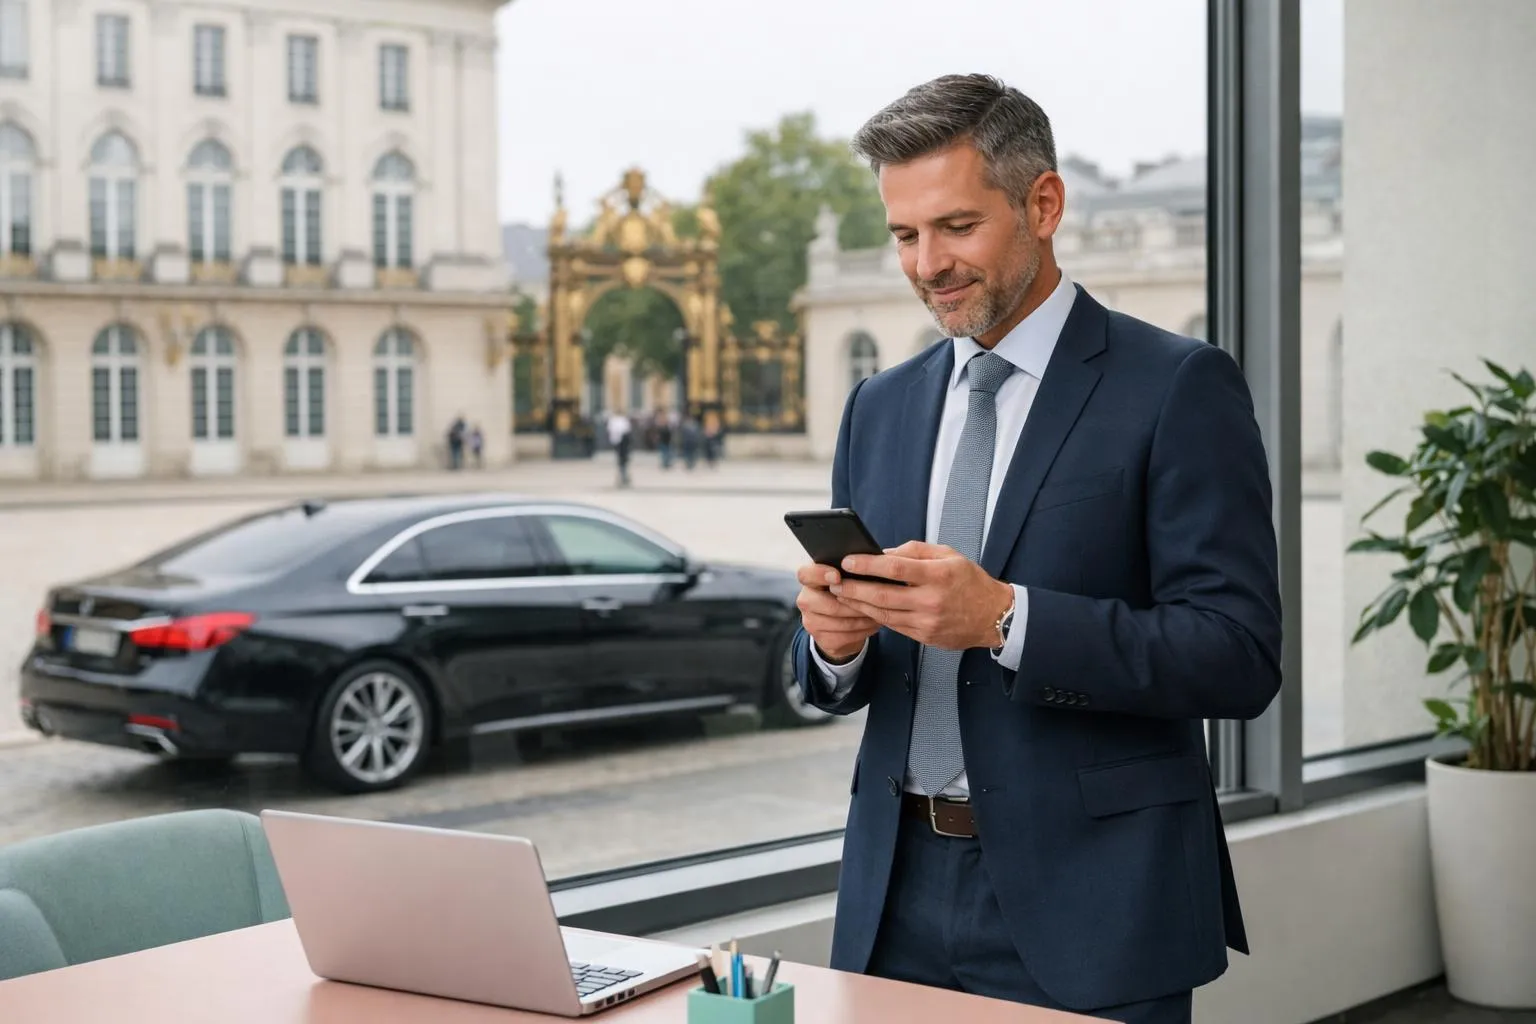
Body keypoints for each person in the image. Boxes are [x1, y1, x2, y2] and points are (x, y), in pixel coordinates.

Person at [789, 74, 1281, 1024]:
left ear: (1044, 205)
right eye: (904, 235)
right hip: (892, 897)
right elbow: (826, 672)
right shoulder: (878, 407)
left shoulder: (1178, 386)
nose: (928, 264)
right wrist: (832, 645)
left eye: (956, 227)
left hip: (1096, 904)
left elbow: (1238, 655)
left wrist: (1006, 619)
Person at [606, 410, 633, 487]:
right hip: (622, 446)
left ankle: (623, 476)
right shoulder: (622, 422)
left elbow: (610, 431)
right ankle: (623, 476)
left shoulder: (614, 421)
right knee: (622, 462)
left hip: (620, 445)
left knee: (621, 461)